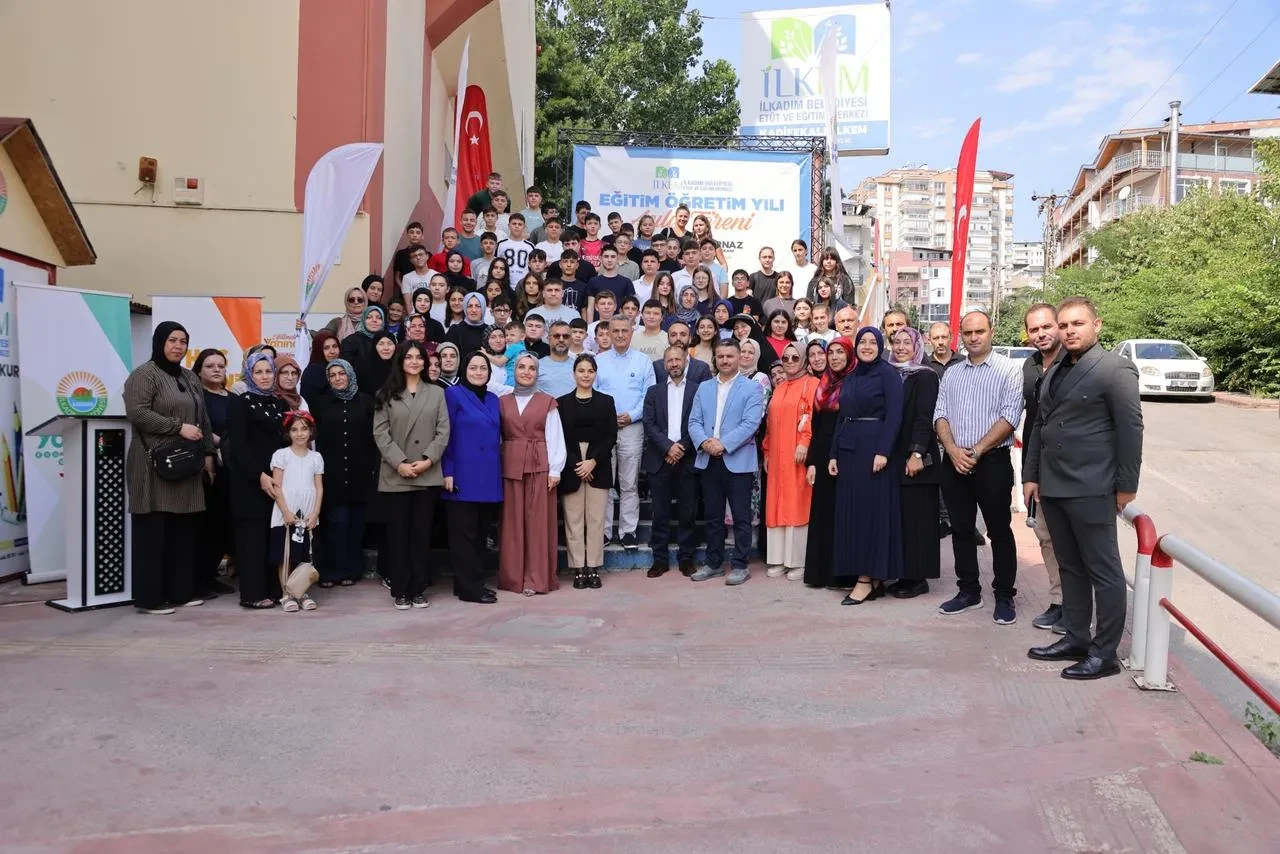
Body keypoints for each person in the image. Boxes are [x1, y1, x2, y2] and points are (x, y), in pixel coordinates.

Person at [1025, 297, 1143, 680]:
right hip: (1054, 485)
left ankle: (1104, 653)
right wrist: (1031, 475)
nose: (1069, 330)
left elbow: (1131, 430)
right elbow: (1040, 424)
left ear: (1097, 324)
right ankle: (1076, 637)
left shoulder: (1114, 369)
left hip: (1092, 486)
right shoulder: (1056, 368)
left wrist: (1126, 486)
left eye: (1077, 323)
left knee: (1104, 572)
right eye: (1064, 325)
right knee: (1070, 567)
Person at [933, 310, 1025, 624]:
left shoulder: (1008, 370)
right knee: (961, 530)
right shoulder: (952, 374)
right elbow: (940, 414)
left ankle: (1004, 595)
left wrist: (975, 451)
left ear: (991, 332)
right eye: (968, 332)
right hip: (954, 462)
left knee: (999, 530)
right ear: (961, 335)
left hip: (992, 462)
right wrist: (952, 450)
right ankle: (968, 591)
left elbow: (1010, 416)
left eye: (980, 331)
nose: (973, 338)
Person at [124, 323, 216, 614]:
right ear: (160, 342)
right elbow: (137, 413)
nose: (178, 346)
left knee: (182, 533)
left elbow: (203, 418)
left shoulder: (189, 377)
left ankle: (180, 592)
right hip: (152, 464)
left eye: (183, 341)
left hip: (186, 464)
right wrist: (177, 427)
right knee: (153, 534)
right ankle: (150, 599)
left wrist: (209, 454)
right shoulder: (144, 374)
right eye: (172, 340)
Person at [829, 327, 904, 605]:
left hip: (873, 451)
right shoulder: (851, 376)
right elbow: (842, 417)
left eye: (873, 342)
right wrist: (833, 454)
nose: (867, 346)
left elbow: (895, 416)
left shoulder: (888, 374)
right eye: (863, 342)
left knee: (870, 515)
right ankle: (872, 579)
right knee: (853, 514)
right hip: (849, 451)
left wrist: (883, 451)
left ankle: (865, 579)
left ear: (881, 346)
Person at [373, 341, 450, 610]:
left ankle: (418, 589)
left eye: (419, 357)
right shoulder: (386, 394)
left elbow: (443, 431)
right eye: (409, 357)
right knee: (398, 536)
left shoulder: (437, 393)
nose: (415, 361)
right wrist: (400, 463)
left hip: (426, 473)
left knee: (421, 536)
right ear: (401, 361)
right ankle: (400, 590)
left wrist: (428, 460)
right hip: (396, 475)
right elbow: (380, 433)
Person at [688, 339, 765, 585]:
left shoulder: (752, 388)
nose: (725, 360)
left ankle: (740, 565)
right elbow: (694, 421)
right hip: (708, 459)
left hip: (737, 459)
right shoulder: (704, 387)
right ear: (715, 358)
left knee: (741, 517)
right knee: (713, 516)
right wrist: (705, 442)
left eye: (730, 356)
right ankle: (713, 563)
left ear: (739, 357)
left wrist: (723, 444)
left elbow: (751, 423)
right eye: (720, 356)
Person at [226, 352, 290, 609]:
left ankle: (274, 589)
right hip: (249, 482)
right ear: (249, 375)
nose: (264, 376)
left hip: (276, 481)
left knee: (272, 536)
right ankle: (252, 594)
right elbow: (238, 446)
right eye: (258, 372)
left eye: (268, 371)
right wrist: (259, 475)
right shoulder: (240, 403)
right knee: (252, 539)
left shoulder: (280, 404)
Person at [499, 353, 566, 595]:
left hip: (540, 467)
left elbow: (555, 435)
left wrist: (555, 469)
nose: (526, 372)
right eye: (521, 367)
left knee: (538, 525)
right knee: (512, 525)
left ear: (537, 373)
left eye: (531, 368)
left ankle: (536, 579)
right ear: (514, 371)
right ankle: (513, 578)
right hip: (510, 466)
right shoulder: (502, 401)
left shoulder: (547, 402)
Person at [441, 353, 504, 604]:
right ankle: (471, 589)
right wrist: (447, 470)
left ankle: (466, 583)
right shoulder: (453, 394)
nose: (478, 372)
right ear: (464, 370)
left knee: (479, 535)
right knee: (463, 536)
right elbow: (445, 434)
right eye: (473, 368)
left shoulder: (494, 399)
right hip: (462, 475)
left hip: (488, 476)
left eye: (483, 368)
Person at [1020, 303, 1066, 630]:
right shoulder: (1030, 366)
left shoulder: (1076, 363)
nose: (1041, 334)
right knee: (1046, 537)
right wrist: (1029, 473)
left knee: (1074, 543)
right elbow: (1032, 421)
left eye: (1046, 326)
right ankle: (1059, 601)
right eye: (1034, 329)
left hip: (1071, 470)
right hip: (1037, 468)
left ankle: (1079, 606)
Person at [310, 358, 375, 587]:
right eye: (333, 375)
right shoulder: (321, 403)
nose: (338, 378)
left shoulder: (366, 401)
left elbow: (373, 437)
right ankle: (330, 571)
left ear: (350, 375)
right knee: (336, 523)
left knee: (356, 525)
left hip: (360, 473)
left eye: (342, 373)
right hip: (332, 474)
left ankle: (351, 571)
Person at [887, 327, 942, 599]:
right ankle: (903, 573)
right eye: (896, 342)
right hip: (895, 457)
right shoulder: (891, 374)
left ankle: (918, 578)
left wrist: (917, 453)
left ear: (917, 346)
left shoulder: (925, 376)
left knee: (917, 520)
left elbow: (925, 417)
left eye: (907, 342)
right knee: (902, 519)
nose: (900, 347)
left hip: (917, 460)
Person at [594, 316, 655, 550]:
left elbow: (648, 395)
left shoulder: (643, 361)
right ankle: (604, 531)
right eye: (616, 331)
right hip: (604, 428)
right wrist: (608, 417)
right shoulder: (599, 361)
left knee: (629, 483)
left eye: (624, 331)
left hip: (632, 427)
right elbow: (593, 391)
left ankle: (628, 531)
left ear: (631, 332)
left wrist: (632, 415)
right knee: (605, 483)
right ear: (608, 333)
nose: (620, 335)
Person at [557, 354, 617, 590]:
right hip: (571, 463)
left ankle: (592, 566)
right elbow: (559, 438)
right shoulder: (561, 403)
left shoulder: (606, 401)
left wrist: (592, 461)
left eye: (590, 371)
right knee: (573, 519)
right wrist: (578, 464)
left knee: (595, 519)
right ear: (574, 373)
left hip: (597, 463)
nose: (585, 375)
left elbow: (611, 435)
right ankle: (578, 568)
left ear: (595, 374)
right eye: (581, 371)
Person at [642, 345, 702, 578]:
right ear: (664, 364)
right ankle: (660, 560)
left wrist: (681, 447)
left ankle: (686, 558)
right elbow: (649, 424)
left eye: (678, 359)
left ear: (686, 361)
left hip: (688, 458)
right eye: (670, 360)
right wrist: (668, 447)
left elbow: (700, 422)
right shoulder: (653, 392)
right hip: (660, 458)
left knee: (688, 512)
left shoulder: (697, 390)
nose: (674, 364)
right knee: (660, 513)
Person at [761, 342, 819, 581]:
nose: (790, 362)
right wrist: (766, 452)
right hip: (777, 458)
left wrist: (804, 443)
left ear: (804, 360)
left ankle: (796, 560)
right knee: (776, 505)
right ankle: (777, 559)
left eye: (795, 358)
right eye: (785, 358)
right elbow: (769, 425)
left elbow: (812, 417)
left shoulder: (812, 384)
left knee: (796, 504)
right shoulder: (780, 387)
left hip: (798, 456)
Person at [803, 336, 852, 589]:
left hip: (847, 452)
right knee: (822, 511)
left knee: (842, 512)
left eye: (840, 352)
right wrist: (811, 461)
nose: (834, 357)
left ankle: (842, 575)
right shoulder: (824, 383)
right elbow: (816, 423)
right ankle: (819, 574)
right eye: (830, 352)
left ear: (849, 355)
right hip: (822, 452)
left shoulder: (855, 381)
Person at [191, 349, 235, 599]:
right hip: (208, 466)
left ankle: (210, 576)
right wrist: (221, 443)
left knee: (223, 524)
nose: (216, 370)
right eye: (210, 366)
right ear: (199, 370)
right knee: (206, 524)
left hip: (231, 467)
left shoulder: (233, 398)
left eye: (220, 365)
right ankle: (198, 579)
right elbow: (201, 428)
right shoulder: (197, 397)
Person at [269, 411, 324, 612]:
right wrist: (285, 511)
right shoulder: (281, 455)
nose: (299, 433)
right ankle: (286, 594)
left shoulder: (316, 457)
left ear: (311, 432)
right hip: (286, 513)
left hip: (307, 514)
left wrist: (315, 512)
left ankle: (301, 592)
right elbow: (276, 486)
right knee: (285, 555)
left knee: (304, 555)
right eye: (294, 429)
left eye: (304, 429)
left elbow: (319, 487)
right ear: (288, 433)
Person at [537, 321, 576, 398]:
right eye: (557, 336)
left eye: (565, 336)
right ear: (548, 339)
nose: (561, 339)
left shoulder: (579, 366)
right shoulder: (536, 366)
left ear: (571, 340)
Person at [445, 291, 490, 356]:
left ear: (483, 308)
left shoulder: (490, 331)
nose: (474, 310)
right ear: (465, 308)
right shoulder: (455, 330)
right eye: (470, 306)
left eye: (478, 306)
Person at [301, 331, 341, 404]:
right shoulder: (314, 372)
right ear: (318, 350)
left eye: (335, 346)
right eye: (326, 348)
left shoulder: (342, 368)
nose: (332, 351)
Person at [391, 221, 426, 292]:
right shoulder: (401, 254)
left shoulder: (428, 255)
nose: (414, 235)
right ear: (407, 235)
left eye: (418, 233)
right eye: (411, 232)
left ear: (422, 236)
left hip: (423, 292)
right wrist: (404, 289)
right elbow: (397, 276)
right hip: (405, 291)